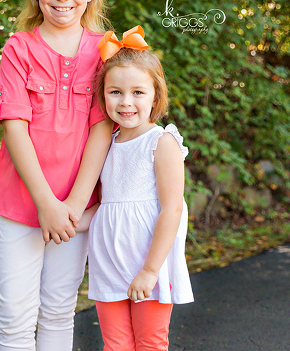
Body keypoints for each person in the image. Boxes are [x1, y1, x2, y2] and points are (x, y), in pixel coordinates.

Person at [0, 0, 114, 351]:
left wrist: (74, 206)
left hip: (75, 210)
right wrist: (46, 204)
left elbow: (101, 129)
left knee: (60, 310)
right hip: (23, 205)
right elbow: (15, 128)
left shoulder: (104, 52)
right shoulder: (18, 49)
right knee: (15, 319)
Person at [86, 26, 194, 351]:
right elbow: (106, 202)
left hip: (149, 261)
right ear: (103, 94)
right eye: (115, 92)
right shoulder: (106, 141)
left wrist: (150, 270)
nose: (126, 102)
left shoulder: (162, 142)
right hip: (108, 260)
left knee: (149, 343)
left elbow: (172, 208)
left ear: (155, 96)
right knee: (115, 345)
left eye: (138, 92)